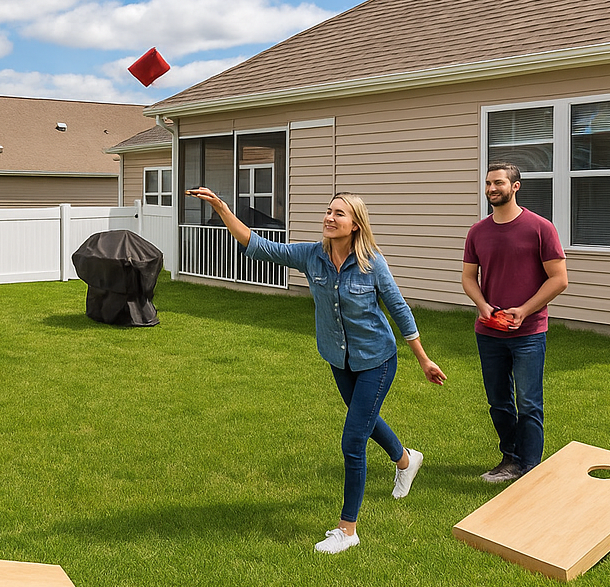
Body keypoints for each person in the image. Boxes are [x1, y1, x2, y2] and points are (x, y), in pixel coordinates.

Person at [189, 187, 446, 554]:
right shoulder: (313, 256)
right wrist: (222, 209)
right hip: (338, 358)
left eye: (339, 214)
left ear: (355, 224)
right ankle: (407, 459)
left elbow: (399, 308)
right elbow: (259, 246)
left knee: (353, 439)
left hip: (377, 359)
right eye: (328, 211)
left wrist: (422, 358)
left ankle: (348, 530)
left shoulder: (373, 262)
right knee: (366, 420)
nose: (329, 217)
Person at [461, 163, 569, 484]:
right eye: (488, 183)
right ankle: (511, 458)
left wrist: (523, 310)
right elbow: (468, 277)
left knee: (529, 401)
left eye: (498, 183)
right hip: (489, 332)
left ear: (515, 187)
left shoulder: (540, 228)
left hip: (529, 333)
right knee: (498, 401)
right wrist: (482, 306)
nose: (492, 188)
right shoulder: (478, 232)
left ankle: (530, 468)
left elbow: (559, 279)